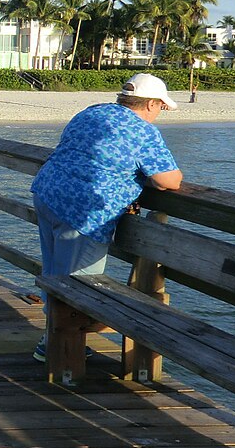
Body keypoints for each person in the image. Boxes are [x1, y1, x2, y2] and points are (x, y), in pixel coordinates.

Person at [30, 73, 183, 362]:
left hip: (48, 193)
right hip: (84, 211)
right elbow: (171, 180)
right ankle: (61, 351)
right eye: (161, 107)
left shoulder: (92, 112)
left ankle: (51, 337)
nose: (159, 114)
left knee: (55, 273)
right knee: (80, 284)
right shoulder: (141, 131)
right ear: (150, 104)